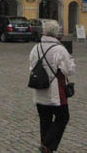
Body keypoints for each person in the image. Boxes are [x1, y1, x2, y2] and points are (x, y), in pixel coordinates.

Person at [29, 20, 76, 153]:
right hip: (56, 92)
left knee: (45, 121)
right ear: (56, 33)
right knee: (63, 117)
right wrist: (71, 60)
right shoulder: (59, 49)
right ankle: (46, 146)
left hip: (39, 90)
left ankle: (46, 148)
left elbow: (31, 68)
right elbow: (69, 70)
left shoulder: (35, 48)